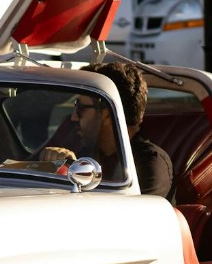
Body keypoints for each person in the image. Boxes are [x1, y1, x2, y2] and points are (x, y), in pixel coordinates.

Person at [40, 61, 173, 198]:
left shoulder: (151, 163)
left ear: (107, 114)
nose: (73, 117)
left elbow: (131, 215)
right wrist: (57, 165)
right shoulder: (86, 150)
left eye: (80, 107)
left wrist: (78, 174)